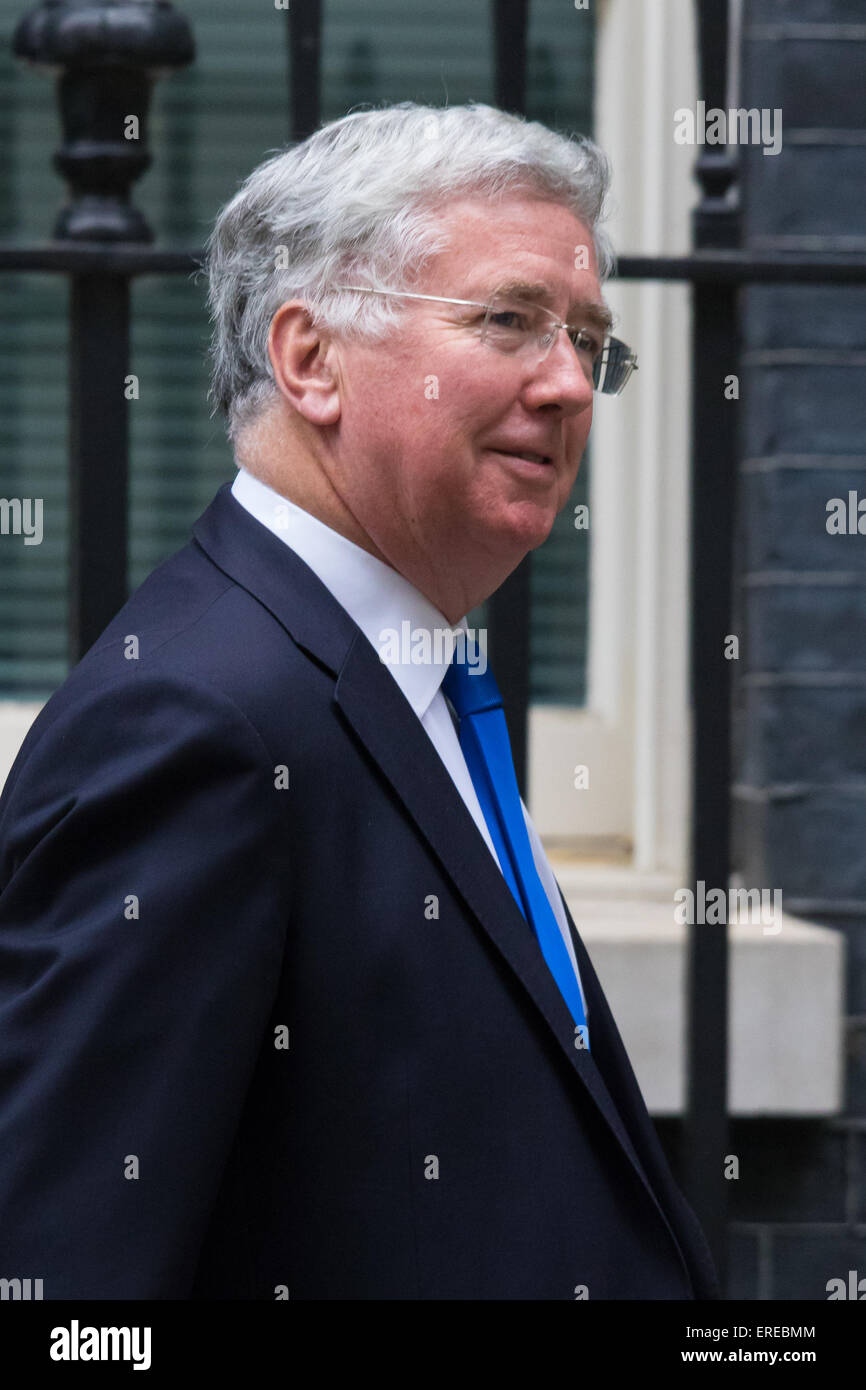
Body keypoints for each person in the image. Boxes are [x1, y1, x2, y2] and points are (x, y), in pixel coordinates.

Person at [0, 102, 718, 1300]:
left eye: (587, 340)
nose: (569, 385)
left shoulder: (395, 665)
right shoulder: (196, 721)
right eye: (509, 321)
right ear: (309, 359)